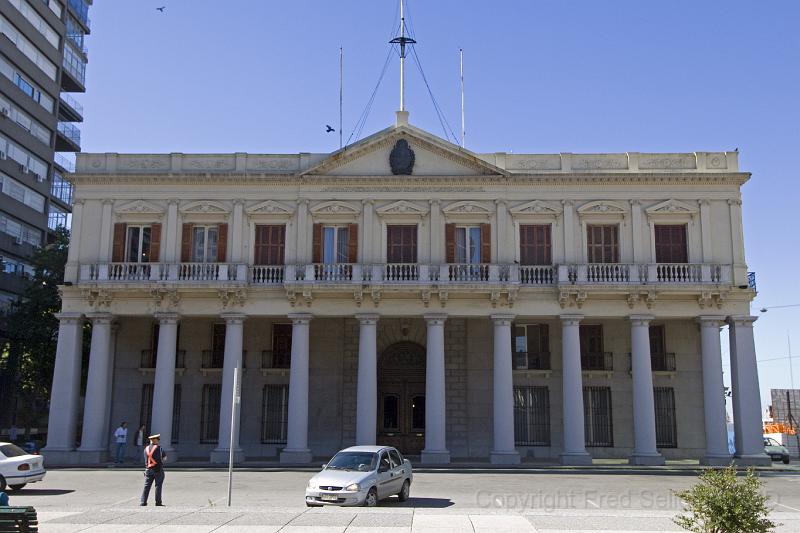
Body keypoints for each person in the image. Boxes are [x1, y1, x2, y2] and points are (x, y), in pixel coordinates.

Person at [140, 434, 166, 506]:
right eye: (158, 439)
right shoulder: (159, 448)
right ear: (156, 440)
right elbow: (164, 458)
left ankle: (143, 502)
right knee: (158, 486)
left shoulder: (146, 449)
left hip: (148, 469)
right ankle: (158, 502)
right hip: (158, 469)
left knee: (147, 486)